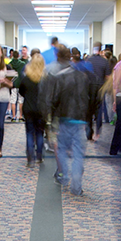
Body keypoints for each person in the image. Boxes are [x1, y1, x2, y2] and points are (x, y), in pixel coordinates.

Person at [47, 48, 96, 196]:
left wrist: (52, 120)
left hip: (64, 118)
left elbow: (54, 100)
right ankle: (76, 187)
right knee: (78, 154)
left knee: (61, 149)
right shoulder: (84, 77)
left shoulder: (60, 78)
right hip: (80, 120)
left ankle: (64, 176)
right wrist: (89, 117)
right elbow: (91, 98)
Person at [17, 51, 49, 167]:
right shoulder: (46, 79)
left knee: (29, 133)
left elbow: (21, 92)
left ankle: (30, 159)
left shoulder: (26, 79)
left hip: (28, 108)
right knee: (39, 133)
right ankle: (39, 157)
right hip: (41, 109)